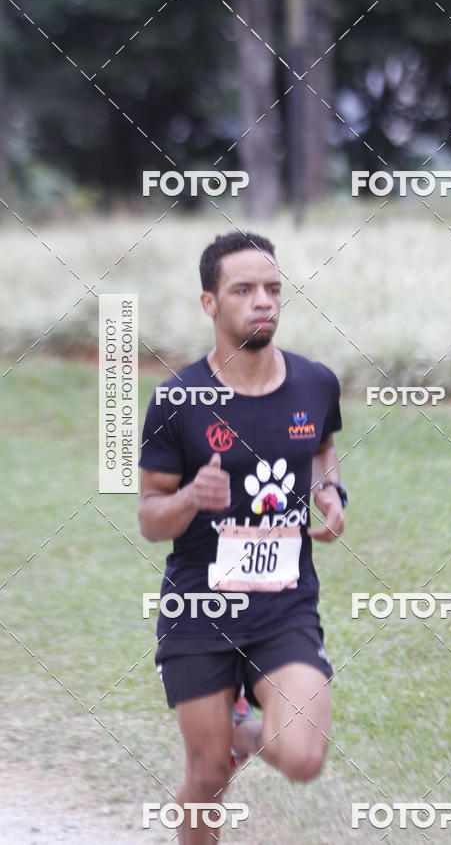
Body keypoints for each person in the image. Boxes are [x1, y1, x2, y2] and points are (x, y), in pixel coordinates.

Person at [138, 231, 348, 844]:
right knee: (206, 775)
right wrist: (186, 499)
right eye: (244, 290)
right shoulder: (179, 400)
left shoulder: (314, 383)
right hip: (200, 606)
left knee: (303, 756)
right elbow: (152, 518)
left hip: (284, 605)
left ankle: (242, 729)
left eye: (273, 289)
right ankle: (228, 738)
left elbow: (322, 449)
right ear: (210, 303)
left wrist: (332, 494)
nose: (264, 302)